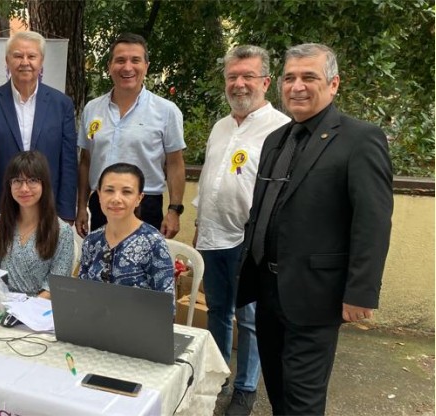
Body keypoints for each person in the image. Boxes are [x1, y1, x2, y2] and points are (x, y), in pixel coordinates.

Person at [236, 43, 393, 415]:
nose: (297, 86)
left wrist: (361, 292)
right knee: (277, 390)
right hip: (268, 289)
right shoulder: (277, 139)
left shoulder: (360, 139)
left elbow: (372, 221)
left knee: (303, 401)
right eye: (290, 78)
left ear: (334, 84)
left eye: (309, 77)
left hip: (316, 295)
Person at [193, 45, 290, 416]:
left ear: (266, 81)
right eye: (232, 76)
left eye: (248, 76)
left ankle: (247, 388)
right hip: (214, 236)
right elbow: (208, 179)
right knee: (218, 309)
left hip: (252, 241)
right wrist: (200, 225)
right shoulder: (220, 126)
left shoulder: (281, 128)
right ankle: (218, 377)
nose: (239, 83)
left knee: (250, 318)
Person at [76, 33, 186, 240]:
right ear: (109, 66)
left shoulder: (166, 111)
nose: (127, 67)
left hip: (146, 205)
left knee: (141, 269)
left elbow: (175, 164)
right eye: (120, 60)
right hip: (101, 204)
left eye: (135, 60)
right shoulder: (92, 109)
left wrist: (174, 210)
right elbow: (85, 162)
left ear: (146, 66)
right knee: (101, 267)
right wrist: (81, 206)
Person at [0, 31, 78, 223]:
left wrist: (66, 211)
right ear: (7, 60)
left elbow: (68, 161)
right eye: (17, 56)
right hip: (2, 207)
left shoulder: (61, 104)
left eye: (31, 56)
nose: (25, 62)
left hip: (49, 207)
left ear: (41, 61)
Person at [0, 151, 74, 298]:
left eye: (32, 180)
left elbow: (55, 286)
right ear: (10, 185)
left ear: (44, 184)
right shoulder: (1, 222)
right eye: (17, 181)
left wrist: (25, 309)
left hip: (38, 310)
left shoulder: (62, 231)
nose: (24, 188)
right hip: (1, 303)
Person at [78, 163, 174, 299]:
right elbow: (81, 293)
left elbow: (166, 305)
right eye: (109, 190)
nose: (116, 199)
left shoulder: (153, 242)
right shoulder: (91, 241)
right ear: (99, 195)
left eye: (127, 192)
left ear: (139, 198)